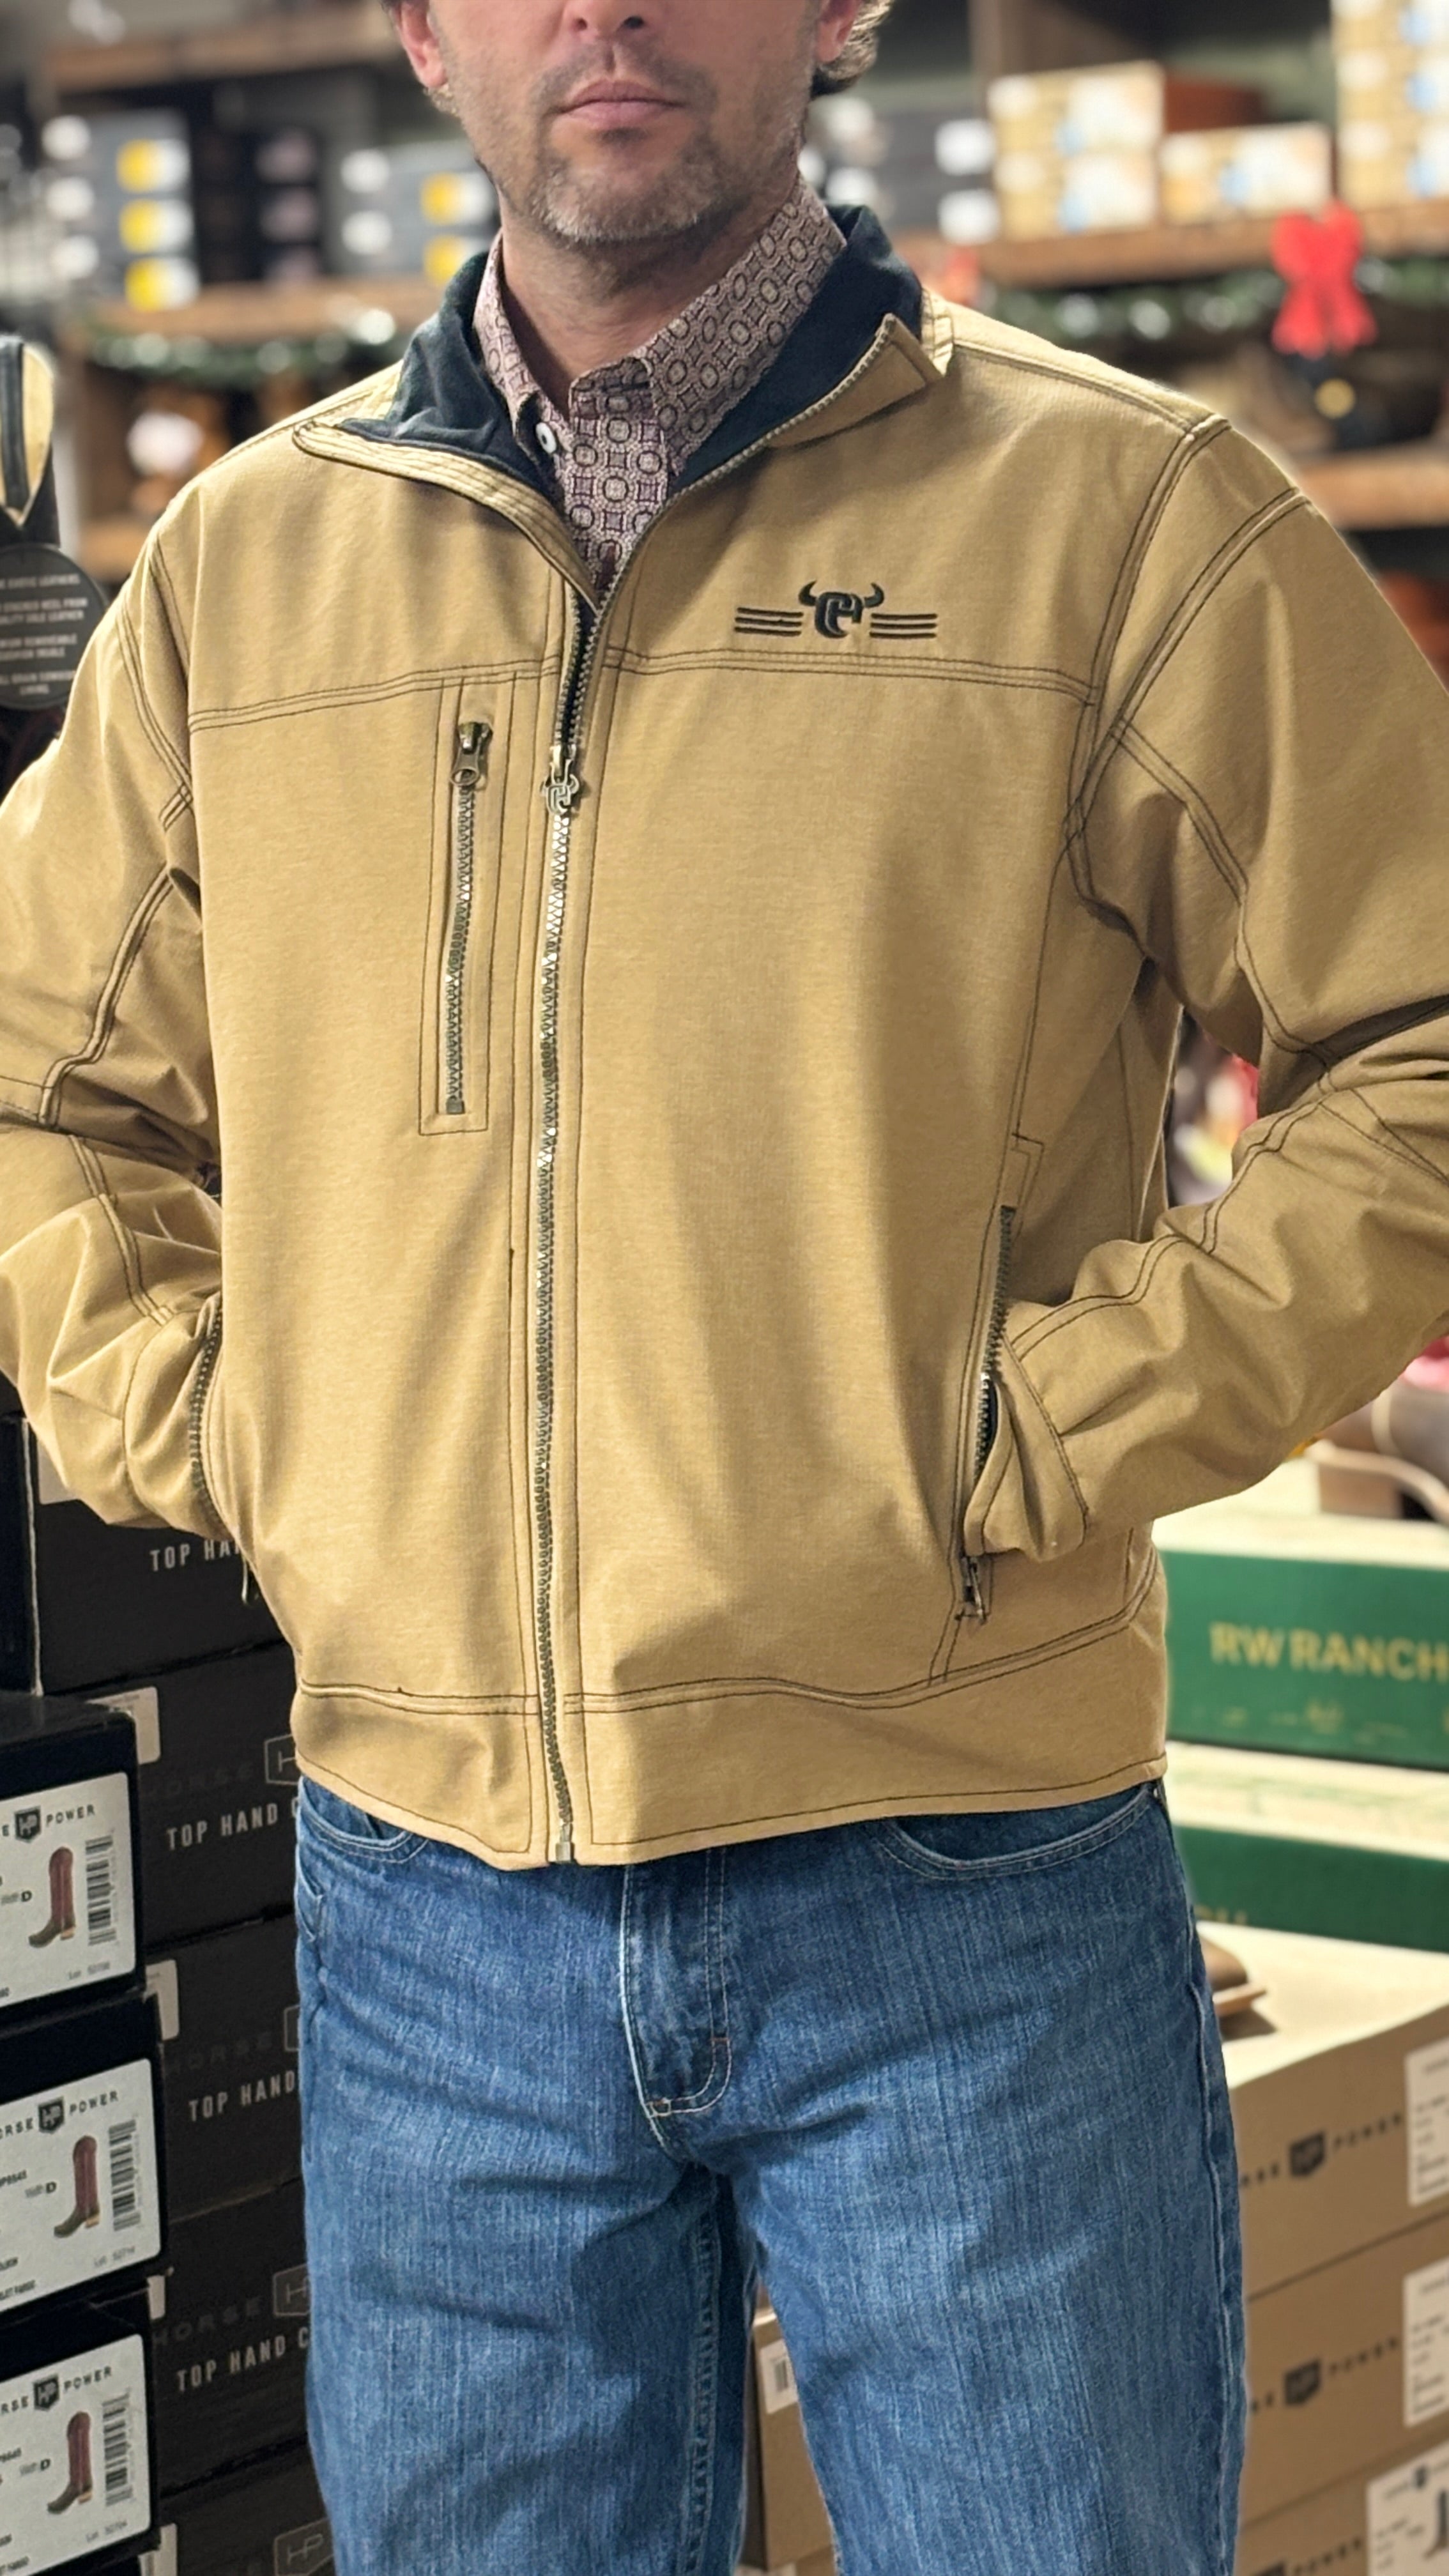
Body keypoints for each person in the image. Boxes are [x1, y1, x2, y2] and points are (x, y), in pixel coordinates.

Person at [1, 1, 1448, 2567]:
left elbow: (1414, 1036)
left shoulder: (1121, 518)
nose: (605, 9)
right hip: (427, 1889)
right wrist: (237, 1431)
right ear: (422, 29)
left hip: (957, 1870)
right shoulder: (247, 571)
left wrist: (1039, 1435)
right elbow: (43, 1088)